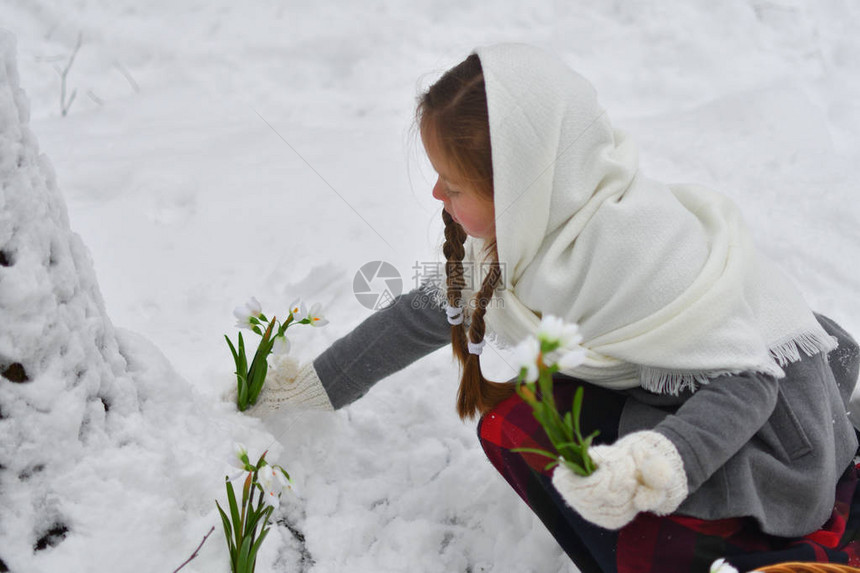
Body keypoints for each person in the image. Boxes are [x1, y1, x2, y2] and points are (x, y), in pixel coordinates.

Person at [246, 44, 860, 573]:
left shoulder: (626, 253)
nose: (437, 194)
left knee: (563, 452)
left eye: (454, 185)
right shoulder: (537, 233)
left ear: (520, 187)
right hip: (691, 380)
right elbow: (423, 313)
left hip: (773, 423)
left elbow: (746, 382)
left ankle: (743, 555)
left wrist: (656, 462)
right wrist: (312, 388)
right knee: (529, 408)